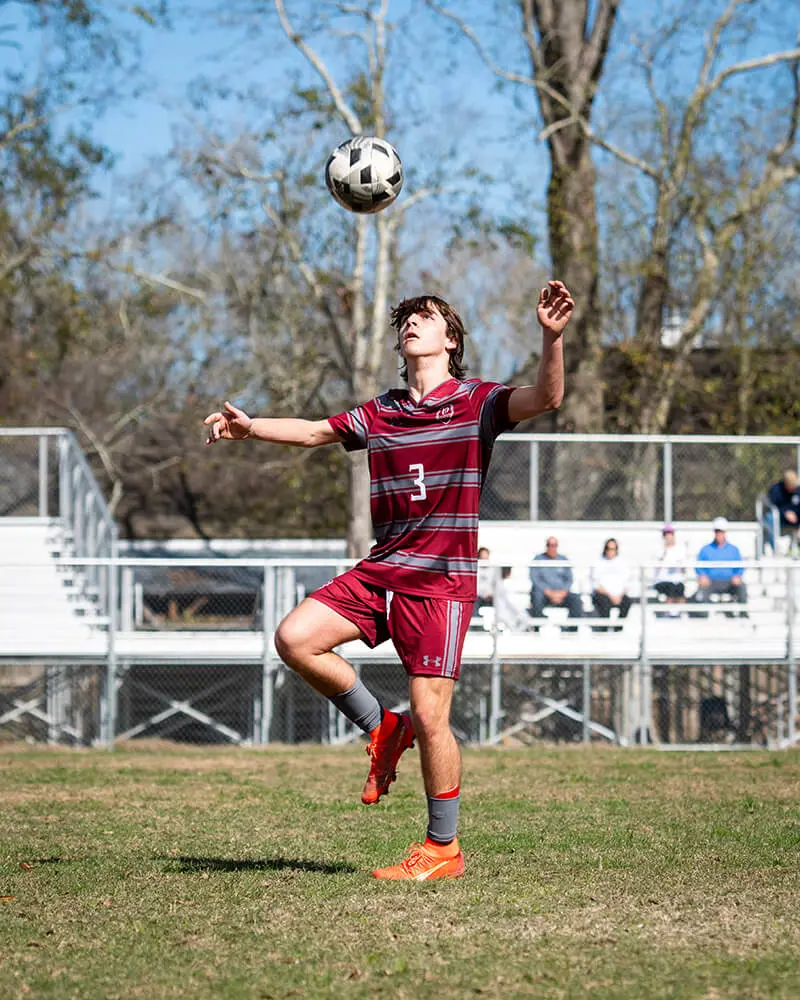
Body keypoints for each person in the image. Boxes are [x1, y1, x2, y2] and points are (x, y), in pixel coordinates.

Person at [204, 280, 574, 881]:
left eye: (424, 318)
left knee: (434, 718)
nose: (411, 325)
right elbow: (314, 431)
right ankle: (382, 724)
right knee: (295, 638)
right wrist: (251, 428)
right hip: (384, 570)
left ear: (450, 340)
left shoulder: (479, 401)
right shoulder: (382, 411)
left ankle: (443, 848)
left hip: (441, 582)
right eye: (405, 320)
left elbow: (547, 398)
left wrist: (551, 338)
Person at [694, 517, 747, 606]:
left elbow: (740, 566)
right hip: (711, 582)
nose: (719, 534)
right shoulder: (705, 549)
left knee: (741, 586)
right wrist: (702, 575)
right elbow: (698, 566)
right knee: (701, 591)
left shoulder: (734, 550)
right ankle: (703, 615)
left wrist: (738, 576)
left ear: (725, 532)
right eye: (717, 531)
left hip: (729, 582)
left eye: (721, 531)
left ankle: (743, 613)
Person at [528, 537, 582, 619]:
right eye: (549, 545)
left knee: (576, 599)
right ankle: (538, 626)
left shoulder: (563, 560)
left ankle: (572, 628)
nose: (552, 548)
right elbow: (535, 579)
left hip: (561, 593)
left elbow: (569, 579)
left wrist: (562, 593)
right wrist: (549, 592)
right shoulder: (538, 559)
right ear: (546, 546)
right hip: (544, 593)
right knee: (536, 597)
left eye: (554, 545)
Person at [590, 538, 632, 622]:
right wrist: (611, 596)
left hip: (619, 595)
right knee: (604, 603)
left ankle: (618, 629)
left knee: (627, 602)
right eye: (608, 548)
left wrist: (619, 596)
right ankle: (604, 629)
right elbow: (596, 585)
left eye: (613, 549)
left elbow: (627, 583)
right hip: (603, 594)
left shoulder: (622, 563)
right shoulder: (598, 563)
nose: (610, 551)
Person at [493, 566, 537, 632]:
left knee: (523, 617)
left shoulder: (500, 584)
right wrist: (519, 612)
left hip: (506, 611)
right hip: (505, 613)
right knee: (522, 618)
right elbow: (509, 603)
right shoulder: (503, 584)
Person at [765, 470, 800, 553]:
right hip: (780, 518)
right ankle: (776, 551)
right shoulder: (776, 490)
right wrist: (785, 513)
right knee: (770, 517)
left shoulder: (798, 490)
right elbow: (772, 506)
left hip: (797, 519)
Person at [653, 524, 686, 604]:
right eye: (666, 534)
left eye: (670, 534)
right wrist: (664, 552)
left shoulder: (680, 549)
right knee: (671, 588)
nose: (668, 536)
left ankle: (678, 613)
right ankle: (669, 613)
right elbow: (656, 567)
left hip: (677, 580)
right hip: (662, 580)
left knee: (679, 588)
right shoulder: (658, 549)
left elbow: (684, 568)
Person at [474, 546, 494, 614]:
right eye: (483, 558)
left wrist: (490, 594)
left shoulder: (493, 570)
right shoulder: (476, 570)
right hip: (478, 597)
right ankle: (475, 623)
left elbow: (495, 586)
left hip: (490, 598)